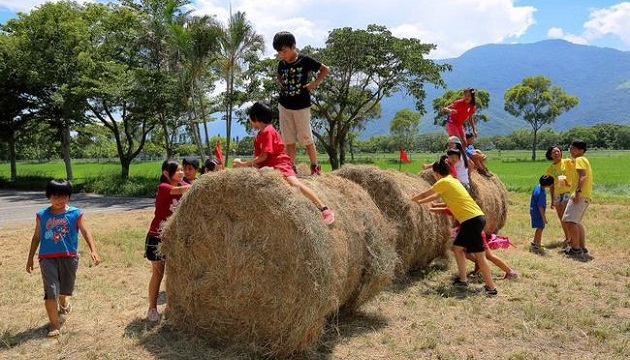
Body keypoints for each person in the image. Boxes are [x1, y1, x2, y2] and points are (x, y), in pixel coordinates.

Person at [233, 102, 335, 225]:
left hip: (279, 165)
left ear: (256, 117)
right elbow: (258, 158)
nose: (249, 120)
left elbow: (264, 156)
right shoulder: (259, 135)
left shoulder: (268, 131)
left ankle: (324, 209)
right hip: (267, 167)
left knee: (295, 184)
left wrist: (245, 164)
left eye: (250, 118)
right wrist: (242, 165)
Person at [411, 155, 498, 296]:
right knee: (457, 248)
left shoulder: (443, 181)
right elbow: (441, 199)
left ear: (436, 174)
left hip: (472, 220)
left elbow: (427, 194)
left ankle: (491, 289)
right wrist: (425, 203)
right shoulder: (453, 180)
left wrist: (412, 200)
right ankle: (463, 280)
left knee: (480, 256)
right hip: (473, 218)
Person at [25, 180, 101, 337]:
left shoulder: (75, 213)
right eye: (56, 197)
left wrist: (93, 250)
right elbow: (37, 236)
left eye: (64, 197)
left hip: (69, 257)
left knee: (65, 289)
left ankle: (64, 300)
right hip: (47, 258)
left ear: (68, 197)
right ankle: (54, 325)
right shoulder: (42, 215)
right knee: (51, 290)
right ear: (48, 196)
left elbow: (86, 232)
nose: (60, 200)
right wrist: (30, 258)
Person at [273, 31, 329, 175]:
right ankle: (290, 167)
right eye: (279, 52)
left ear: (293, 46)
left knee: (305, 137)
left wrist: (314, 83)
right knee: (289, 139)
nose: (282, 55)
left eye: (284, 51)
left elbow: (325, 69)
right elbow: (278, 75)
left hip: (301, 106)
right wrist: (281, 82)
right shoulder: (282, 63)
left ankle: (315, 166)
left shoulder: (304, 60)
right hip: (284, 105)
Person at [145, 160, 190, 321]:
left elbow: (189, 185)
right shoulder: (164, 187)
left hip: (174, 238)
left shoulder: (182, 183)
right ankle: (152, 309)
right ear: (166, 173)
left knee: (174, 273)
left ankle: (172, 307)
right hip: (157, 237)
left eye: (182, 170)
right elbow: (186, 189)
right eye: (178, 171)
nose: (181, 173)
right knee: (158, 273)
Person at [562, 141, 593, 257]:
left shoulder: (580, 159)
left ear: (581, 150)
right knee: (576, 222)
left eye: (573, 148)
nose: (571, 150)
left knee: (569, 221)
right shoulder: (583, 160)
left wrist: (577, 192)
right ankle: (581, 247)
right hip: (585, 195)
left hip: (580, 195)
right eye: (570, 147)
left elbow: (583, 176)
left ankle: (575, 249)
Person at [545, 145, 573, 247]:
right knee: (561, 216)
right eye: (553, 152)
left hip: (567, 191)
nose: (556, 153)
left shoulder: (567, 162)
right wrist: (552, 200)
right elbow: (551, 185)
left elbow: (577, 168)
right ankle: (567, 237)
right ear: (550, 155)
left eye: (558, 151)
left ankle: (572, 238)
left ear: (561, 152)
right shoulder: (549, 169)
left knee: (566, 215)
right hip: (557, 193)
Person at [529, 175, 555, 253]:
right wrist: (544, 218)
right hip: (538, 213)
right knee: (540, 228)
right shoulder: (541, 193)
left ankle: (535, 243)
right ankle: (537, 246)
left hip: (533, 210)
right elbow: (540, 207)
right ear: (548, 185)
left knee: (539, 228)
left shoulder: (537, 187)